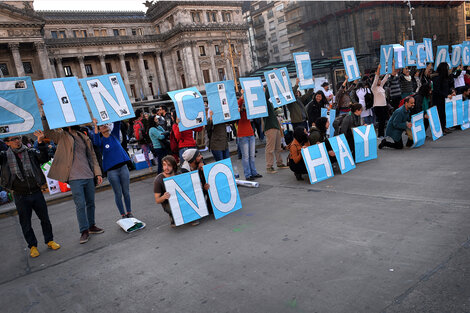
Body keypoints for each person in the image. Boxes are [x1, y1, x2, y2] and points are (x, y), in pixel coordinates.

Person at [39, 100, 104, 244]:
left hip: (88, 175)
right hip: (74, 178)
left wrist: (97, 173)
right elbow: (47, 132)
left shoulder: (83, 136)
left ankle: (92, 225)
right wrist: (44, 114)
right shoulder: (61, 136)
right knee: (80, 204)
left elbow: (92, 156)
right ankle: (84, 230)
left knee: (91, 203)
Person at [0, 132, 60, 258]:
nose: (17, 141)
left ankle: (49, 240)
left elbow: (44, 158)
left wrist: (40, 142)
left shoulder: (31, 152)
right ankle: (32, 246)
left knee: (45, 219)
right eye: (14, 139)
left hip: (36, 192)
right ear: (7, 143)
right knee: (26, 222)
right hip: (20, 195)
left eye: (18, 138)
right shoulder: (4, 156)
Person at [91, 119, 133, 219]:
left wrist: (109, 114)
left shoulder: (114, 135)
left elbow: (117, 122)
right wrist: (96, 125)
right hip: (112, 171)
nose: (104, 126)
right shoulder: (100, 141)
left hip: (123, 168)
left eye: (105, 124)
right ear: (99, 130)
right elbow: (95, 141)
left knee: (126, 192)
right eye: (101, 126)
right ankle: (123, 214)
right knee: (118, 193)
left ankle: (129, 212)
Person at [238, 91, 262, 180]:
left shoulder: (248, 106)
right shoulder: (238, 106)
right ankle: (248, 175)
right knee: (246, 156)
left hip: (251, 133)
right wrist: (242, 97)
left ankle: (254, 172)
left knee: (251, 155)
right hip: (242, 134)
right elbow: (238, 104)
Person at [264, 89, 289, 173]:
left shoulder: (269, 102)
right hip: (270, 127)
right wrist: (268, 86)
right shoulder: (264, 102)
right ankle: (269, 166)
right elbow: (266, 94)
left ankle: (279, 162)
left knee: (278, 147)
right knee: (270, 148)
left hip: (275, 126)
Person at [154, 155, 179, 228]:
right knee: (174, 209)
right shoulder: (158, 180)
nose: (166, 168)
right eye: (164, 165)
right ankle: (173, 216)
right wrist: (164, 197)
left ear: (174, 166)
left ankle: (191, 216)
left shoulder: (179, 175)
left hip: (180, 199)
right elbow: (157, 200)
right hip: (168, 203)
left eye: (169, 165)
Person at [432, 62, 452, 134]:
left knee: (444, 113)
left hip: (444, 99)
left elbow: (446, 87)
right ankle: (440, 129)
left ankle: (444, 127)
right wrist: (446, 95)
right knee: (440, 114)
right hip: (438, 99)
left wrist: (451, 92)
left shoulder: (445, 77)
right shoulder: (437, 78)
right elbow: (437, 90)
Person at [371, 64, 390, 139]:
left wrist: (390, 68)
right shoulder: (374, 88)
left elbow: (386, 78)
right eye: (379, 80)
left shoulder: (381, 86)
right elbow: (376, 78)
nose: (379, 81)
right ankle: (379, 135)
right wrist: (378, 68)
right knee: (381, 121)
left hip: (384, 106)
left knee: (384, 120)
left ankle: (383, 134)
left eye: (380, 80)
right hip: (377, 106)